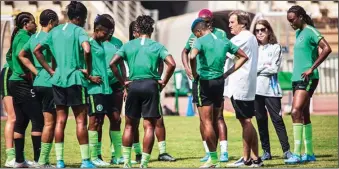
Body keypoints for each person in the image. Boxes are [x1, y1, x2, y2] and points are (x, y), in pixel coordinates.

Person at [33, 1, 95, 168]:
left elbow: (37, 50)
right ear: (81, 17)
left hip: (58, 79)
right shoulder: (79, 31)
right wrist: (88, 70)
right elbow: (87, 49)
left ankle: (60, 162)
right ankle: (85, 161)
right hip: (75, 78)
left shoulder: (55, 31)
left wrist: (51, 71)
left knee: (60, 121)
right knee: (81, 121)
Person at [110, 15, 176, 168]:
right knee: (150, 126)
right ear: (152, 30)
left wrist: (123, 82)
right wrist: (163, 81)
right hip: (151, 86)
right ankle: (144, 164)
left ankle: (127, 162)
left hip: (133, 86)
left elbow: (112, 63)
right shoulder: (157, 46)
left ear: (137, 29)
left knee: (129, 126)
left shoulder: (128, 45)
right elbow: (171, 64)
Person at [189, 18, 248, 168]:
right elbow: (244, 57)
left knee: (206, 122)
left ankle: (213, 160)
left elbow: (191, 56)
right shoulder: (224, 40)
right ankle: (217, 156)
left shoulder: (200, 40)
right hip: (219, 82)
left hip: (204, 83)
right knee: (216, 120)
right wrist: (227, 73)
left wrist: (194, 72)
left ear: (198, 31)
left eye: (196, 34)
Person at [284, 5, 332, 164]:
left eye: (292, 20)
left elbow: (327, 48)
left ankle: (297, 154)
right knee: (304, 115)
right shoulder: (298, 33)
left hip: (308, 78)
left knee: (295, 111)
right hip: (297, 78)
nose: (291, 23)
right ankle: (309, 153)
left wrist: (312, 68)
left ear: (300, 17)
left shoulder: (310, 31)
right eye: (289, 21)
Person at [181, 8, 230, 162]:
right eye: (202, 21)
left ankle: (224, 151)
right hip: (200, 80)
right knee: (203, 119)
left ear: (212, 21)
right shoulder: (195, 34)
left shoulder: (221, 34)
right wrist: (187, 67)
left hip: (215, 78)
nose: (205, 24)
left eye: (207, 21)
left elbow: (228, 51)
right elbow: (185, 52)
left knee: (219, 117)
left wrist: (224, 70)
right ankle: (209, 151)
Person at [129, 20, 176, 163]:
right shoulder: (130, 48)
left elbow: (161, 64)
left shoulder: (151, 47)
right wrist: (125, 86)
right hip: (134, 86)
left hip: (149, 86)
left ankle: (162, 152)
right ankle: (138, 153)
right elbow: (123, 68)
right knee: (134, 123)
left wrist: (159, 80)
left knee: (158, 120)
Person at [18, 9, 59, 168]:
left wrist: (36, 71)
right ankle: (43, 161)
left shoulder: (33, 37)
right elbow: (56, 58)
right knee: (50, 123)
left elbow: (21, 55)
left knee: (42, 123)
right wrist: (51, 71)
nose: (56, 25)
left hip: (37, 83)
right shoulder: (51, 37)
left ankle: (41, 160)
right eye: (56, 22)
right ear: (51, 22)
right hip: (49, 83)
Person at [225, 10, 263, 167]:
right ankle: (255, 158)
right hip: (244, 84)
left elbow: (223, 51)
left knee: (246, 121)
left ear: (242, 23)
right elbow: (236, 56)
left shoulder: (242, 38)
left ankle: (246, 158)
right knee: (246, 121)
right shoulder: (250, 37)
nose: (229, 25)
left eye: (232, 22)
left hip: (240, 84)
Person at [252, 19, 293, 160]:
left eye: (262, 29)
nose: (260, 33)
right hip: (256, 91)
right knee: (260, 120)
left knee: (277, 119)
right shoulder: (253, 48)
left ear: (268, 30)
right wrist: (264, 67)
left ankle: (287, 151)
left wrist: (258, 69)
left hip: (272, 90)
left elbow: (274, 68)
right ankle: (266, 152)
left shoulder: (276, 47)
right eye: (257, 30)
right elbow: (252, 69)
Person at [7, 12, 41, 168]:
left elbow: (9, 56)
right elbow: (22, 56)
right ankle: (38, 161)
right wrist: (32, 72)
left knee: (21, 122)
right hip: (22, 83)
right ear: (26, 24)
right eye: (34, 22)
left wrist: (15, 71)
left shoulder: (18, 36)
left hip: (16, 81)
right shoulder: (24, 37)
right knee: (37, 120)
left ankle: (19, 161)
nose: (36, 25)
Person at [86, 14, 115, 167]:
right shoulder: (88, 44)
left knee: (100, 122)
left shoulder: (100, 43)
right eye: (105, 33)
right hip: (93, 90)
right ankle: (92, 157)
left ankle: (97, 155)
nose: (107, 36)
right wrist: (90, 77)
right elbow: (80, 64)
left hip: (103, 89)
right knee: (93, 121)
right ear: (97, 30)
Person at [101, 13, 126, 165]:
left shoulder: (118, 43)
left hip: (116, 84)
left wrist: (124, 82)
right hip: (99, 86)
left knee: (116, 119)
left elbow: (121, 63)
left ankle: (116, 154)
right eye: (109, 28)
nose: (111, 31)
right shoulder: (93, 42)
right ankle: (95, 155)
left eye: (113, 28)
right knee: (97, 121)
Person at [1, 62, 15, 168]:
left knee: (22, 118)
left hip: (23, 75)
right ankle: (10, 158)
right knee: (13, 117)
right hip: (10, 72)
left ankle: (19, 158)